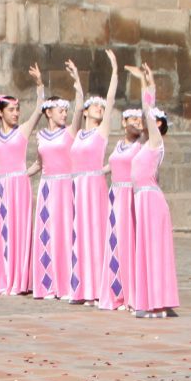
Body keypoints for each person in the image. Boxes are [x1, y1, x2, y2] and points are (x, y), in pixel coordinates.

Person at [0, 64, 46, 296]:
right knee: (4, 230)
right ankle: (4, 276)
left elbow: (39, 109)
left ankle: (21, 278)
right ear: (0, 112)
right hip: (3, 186)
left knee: (21, 229)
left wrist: (40, 84)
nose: (16, 113)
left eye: (17, 109)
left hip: (20, 185)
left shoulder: (23, 131)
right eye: (11, 109)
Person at [126, 64, 179, 319]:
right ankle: (146, 300)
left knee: (155, 249)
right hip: (140, 200)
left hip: (151, 200)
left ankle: (158, 301)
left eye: (150, 120)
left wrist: (149, 84)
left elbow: (147, 110)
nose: (143, 121)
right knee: (144, 250)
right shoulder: (142, 144)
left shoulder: (156, 143)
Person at [68, 50, 120, 303]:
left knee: (96, 234)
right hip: (77, 185)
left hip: (95, 185)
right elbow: (77, 105)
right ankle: (82, 287)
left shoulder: (102, 132)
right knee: (80, 234)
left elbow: (110, 101)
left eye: (100, 106)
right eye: (94, 106)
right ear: (87, 112)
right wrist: (77, 81)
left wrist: (114, 72)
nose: (99, 108)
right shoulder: (77, 134)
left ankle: (99, 288)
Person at [31, 62, 84, 300]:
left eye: (65, 110)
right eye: (60, 110)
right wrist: (20, 176)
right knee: (48, 234)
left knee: (66, 233)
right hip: (46, 187)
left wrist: (77, 82)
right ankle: (48, 281)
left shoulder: (69, 133)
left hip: (65, 187)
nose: (64, 113)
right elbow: (38, 164)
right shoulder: (40, 136)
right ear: (48, 112)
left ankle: (68, 283)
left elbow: (80, 109)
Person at [98, 100, 146, 312]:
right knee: (115, 243)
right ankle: (116, 292)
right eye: (132, 119)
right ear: (124, 122)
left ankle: (133, 294)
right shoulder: (118, 145)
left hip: (130, 196)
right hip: (115, 195)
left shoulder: (141, 145)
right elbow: (111, 166)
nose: (137, 122)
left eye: (139, 119)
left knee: (130, 243)